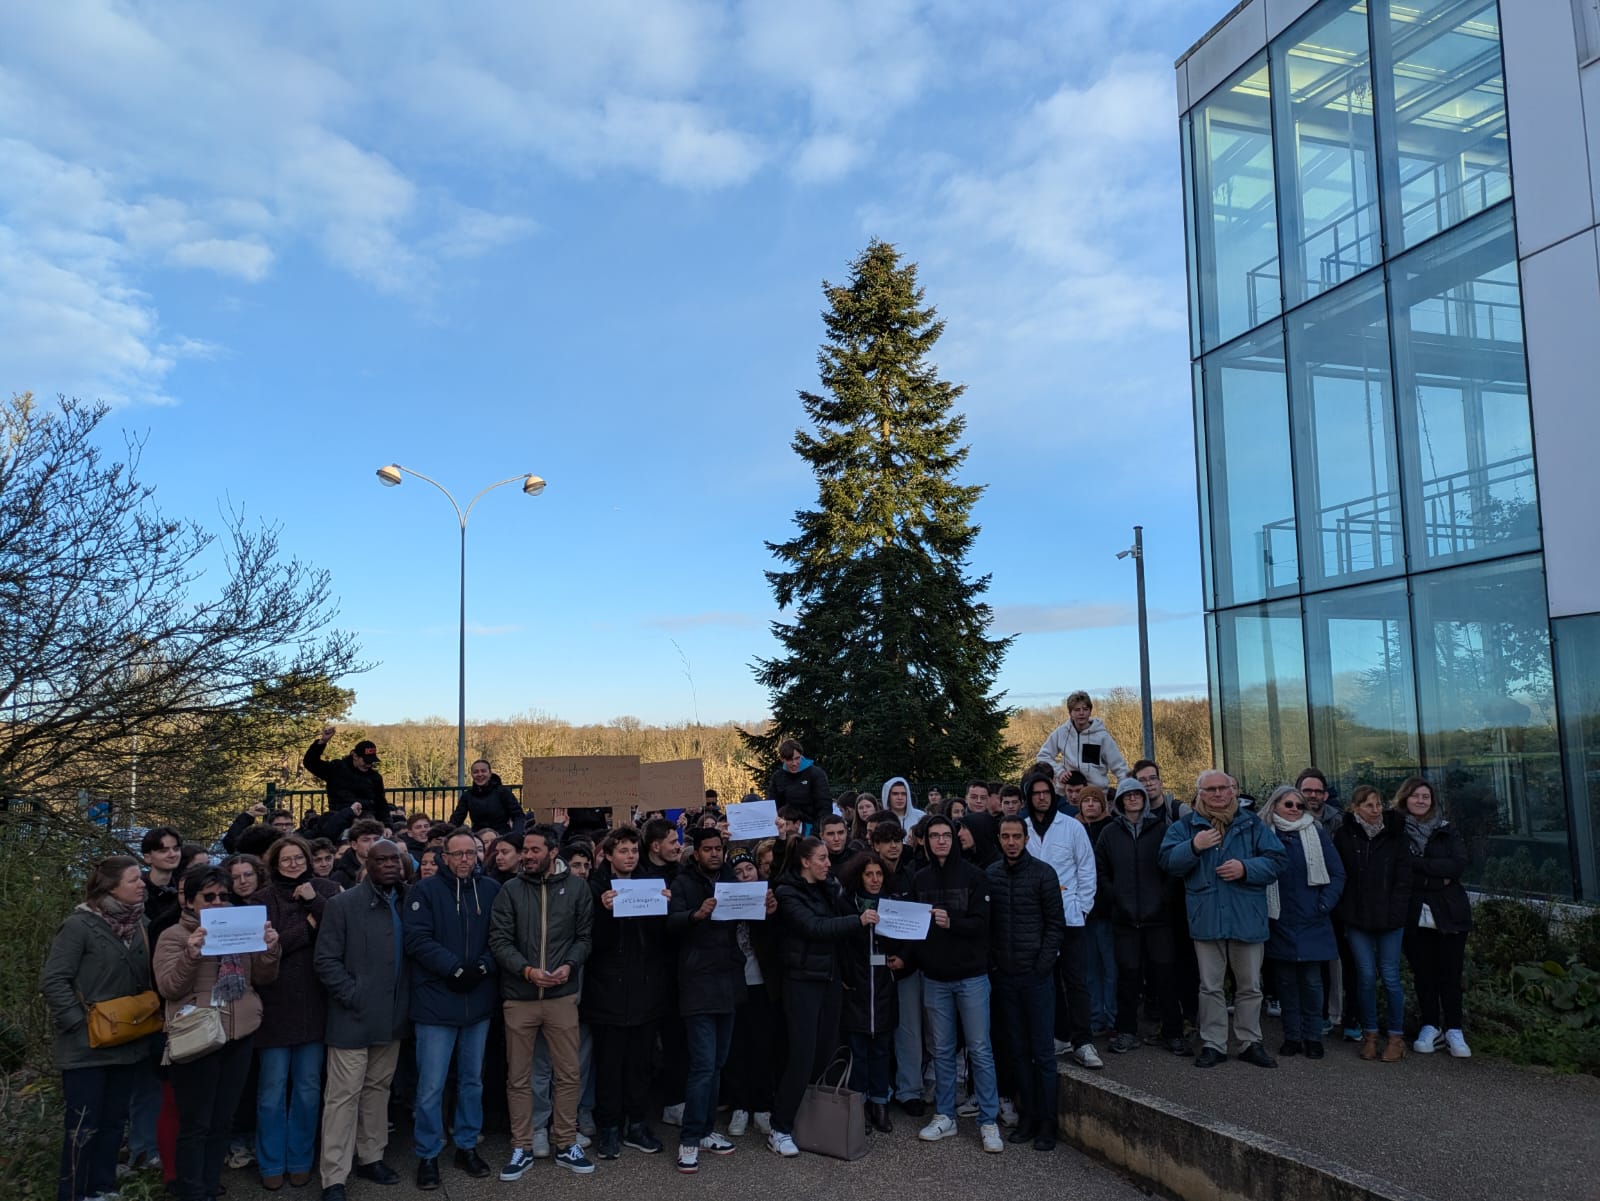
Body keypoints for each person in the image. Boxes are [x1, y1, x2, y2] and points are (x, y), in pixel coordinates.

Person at [40, 856, 166, 1201]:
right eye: (133, 880)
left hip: (128, 1042)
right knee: (82, 1126)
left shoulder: (141, 923)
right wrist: (79, 1024)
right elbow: (54, 980)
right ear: (111, 887)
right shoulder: (79, 925)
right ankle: (72, 1193)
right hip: (86, 1048)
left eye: (141, 879)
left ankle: (101, 1188)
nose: (142, 884)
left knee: (113, 1123)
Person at [154, 865, 282, 1201]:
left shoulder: (239, 930)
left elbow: (264, 977)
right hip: (198, 1036)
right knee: (196, 1123)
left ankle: (209, 1186)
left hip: (238, 1033)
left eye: (223, 896)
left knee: (221, 1120)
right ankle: (191, 1190)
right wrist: (191, 955)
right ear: (190, 901)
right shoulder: (174, 936)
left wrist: (269, 948)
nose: (217, 902)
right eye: (208, 897)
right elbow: (169, 987)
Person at [1159, 771, 1286, 1069]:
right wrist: (1194, 846)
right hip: (1207, 917)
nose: (1217, 794)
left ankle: (1250, 1042)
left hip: (1247, 917)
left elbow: (1278, 861)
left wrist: (1246, 868)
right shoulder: (1186, 826)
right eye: (1210, 789)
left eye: (1223, 788)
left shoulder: (1252, 823)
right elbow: (1166, 862)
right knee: (1210, 986)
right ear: (1200, 793)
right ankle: (1213, 1043)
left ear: (1233, 791)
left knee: (1250, 986)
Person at [490, 824, 595, 1179]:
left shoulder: (578, 889)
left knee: (568, 1073)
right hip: (520, 997)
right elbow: (500, 940)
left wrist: (569, 965)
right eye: (525, 850)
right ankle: (521, 1146)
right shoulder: (510, 890)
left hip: (562, 997)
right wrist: (527, 971)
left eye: (535, 850)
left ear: (553, 852)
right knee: (518, 1077)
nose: (527, 856)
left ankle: (565, 1143)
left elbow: (584, 937)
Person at [667, 827, 772, 1173]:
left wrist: (766, 905)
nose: (714, 854)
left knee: (717, 1064)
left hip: (730, 983)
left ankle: (708, 1128)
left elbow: (751, 917)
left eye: (718, 848)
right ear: (696, 852)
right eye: (707, 849)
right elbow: (668, 924)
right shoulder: (683, 882)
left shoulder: (731, 879)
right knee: (701, 1065)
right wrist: (695, 915)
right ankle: (690, 1138)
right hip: (698, 984)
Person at [314, 840, 411, 1201]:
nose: (389, 865)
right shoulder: (343, 905)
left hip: (393, 1017)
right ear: (366, 863)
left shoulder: (408, 901)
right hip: (352, 1017)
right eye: (381, 859)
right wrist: (353, 995)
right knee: (342, 1097)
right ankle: (334, 1176)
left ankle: (372, 1157)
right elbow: (326, 960)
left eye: (394, 860)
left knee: (377, 1091)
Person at [404, 829, 500, 1188]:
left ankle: (466, 1144)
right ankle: (427, 1153)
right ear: (444, 857)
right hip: (436, 1001)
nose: (464, 860)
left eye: (469, 854)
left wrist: (484, 966)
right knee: (431, 1086)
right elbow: (416, 939)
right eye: (456, 854)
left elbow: (502, 935)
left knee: (472, 1081)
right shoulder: (424, 892)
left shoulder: (490, 890)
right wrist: (452, 967)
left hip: (477, 1000)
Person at [771, 837, 875, 1158]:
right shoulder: (787, 892)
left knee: (825, 1050)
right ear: (805, 862)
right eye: (821, 858)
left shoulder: (828, 886)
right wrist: (856, 921)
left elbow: (840, 916)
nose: (828, 864)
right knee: (802, 1054)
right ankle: (780, 1127)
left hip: (829, 979)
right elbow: (813, 927)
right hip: (802, 980)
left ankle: (810, 1120)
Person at [911, 815, 1001, 1153]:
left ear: (954, 837)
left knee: (979, 1048)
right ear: (926, 841)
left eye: (945, 835)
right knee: (942, 1051)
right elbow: (913, 925)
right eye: (933, 836)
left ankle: (988, 1119)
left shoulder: (975, 876)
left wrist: (953, 922)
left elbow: (982, 923)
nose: (940, 841)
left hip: (972, 976)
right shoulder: (920, 878)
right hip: (935, 977)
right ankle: (945, 1114)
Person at [256, 835, 340, 1189]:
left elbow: (337, 931)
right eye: (285, 859)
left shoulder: (326, 889)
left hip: (314, 1002)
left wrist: (315, 902)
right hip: (275, 1004)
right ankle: (272, 1163)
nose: (293, 864)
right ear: (274, 863)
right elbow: (266, 948)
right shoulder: (262, 899)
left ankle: (301, 1158)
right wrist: (306, 928)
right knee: (271, 1091)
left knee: (308, 1090)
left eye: (298, 858)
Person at [584, 826, 671, 1159]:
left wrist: (663, 909)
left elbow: (661, 941)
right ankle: (608, 1127)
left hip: (646, 992)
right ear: (608, 855)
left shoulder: (652, 883)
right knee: (609, 1065)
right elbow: (593, 943)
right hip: (608, 992)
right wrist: (603, 913)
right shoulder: (595, 889)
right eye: (623, 851)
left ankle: (637, 1124)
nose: (630, 856)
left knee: (640, 1063)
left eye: (634, 850)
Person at [987, 814, 1065, 1152]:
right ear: (999, 839)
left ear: (1026, 837)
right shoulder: (990, 875)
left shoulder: (1044, 874)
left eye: (1016, 836)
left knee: (1043, 1054)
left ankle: (1049, 1121)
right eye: (1005, 836)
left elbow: (1055, 925)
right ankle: (1029, 1115)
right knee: (1017, 1052)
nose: (1011, 842)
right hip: (1004, 977)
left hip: (1036, 977)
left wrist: (1042, 966)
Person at [1095, 779, 1186, 1056]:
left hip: (1158, 918)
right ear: (1120, 800)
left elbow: (1173, 868)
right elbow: (1101, 871)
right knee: (1128, 979)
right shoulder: (1109, 833)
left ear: (1144, 799)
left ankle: (1173, 1032)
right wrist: (1116, 898)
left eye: (1137, 794)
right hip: (1124, 919)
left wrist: (1164, 898)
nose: (1133, 799)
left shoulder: (1162, 829)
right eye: (1127, 795)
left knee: (1165, 977)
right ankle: (1126, 1032)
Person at [1019, 769, 1101, 1069]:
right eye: (1036, 793)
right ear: (1028, 797)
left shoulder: (1072, 827)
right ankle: (1059, 1035)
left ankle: (1083, 1040)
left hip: (1070, 917)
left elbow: (1087, 869)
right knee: (1045, 980)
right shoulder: (1021, 828)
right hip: (1034, 920)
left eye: (1046, 793)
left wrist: (1082, 907)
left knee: (1075, 980)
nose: (1041, 797)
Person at [1262, 786, 1344, 1060]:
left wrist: (1324, 904)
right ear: (1275, 806)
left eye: (1299, 805)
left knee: (1312, 983)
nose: (1295, 809)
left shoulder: (1316, 832)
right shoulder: (1264, 834)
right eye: (1289, 804)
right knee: (1285, 984)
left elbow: (1337, 873)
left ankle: (1313, 1036)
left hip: (1313, 919)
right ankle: (1292, 1037)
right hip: (1280, 919)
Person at [1333, 785, 1411, 1063]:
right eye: (1369, 806)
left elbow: (1404, 880)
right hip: (1357, 918)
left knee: (1390, 977)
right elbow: (1338, 875)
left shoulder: (1396, 835)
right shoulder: (1343, 836)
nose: (1376, 811)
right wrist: (1345, 911)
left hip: (1390, 918)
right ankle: (1370, 1034)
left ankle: (1396, 1036)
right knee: (1365, 977)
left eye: (1378, 805)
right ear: (1356, 809)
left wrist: (1397, 913)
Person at [1398, 778, 1472, 1059]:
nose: (1420, 800)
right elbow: (1403, 869)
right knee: (1424, 974)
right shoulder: (1397, 832)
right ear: (1405, 799)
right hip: (1414, 911)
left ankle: (1454, 1028)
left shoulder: (1446, 829)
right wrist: (1436, 876)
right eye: (1415, 796)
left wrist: (1421, 868)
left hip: (1450, 912)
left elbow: (1458, 865)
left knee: (1450, 974)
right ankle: (1430, 1025)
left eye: (1426, 796)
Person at [837, 852, 899, 1135]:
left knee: (881, 1051)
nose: (875, 880)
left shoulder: (894, 903)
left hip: (884, 986)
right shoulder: (846, 904)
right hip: (856, 986)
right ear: (858, 877)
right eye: (869, 874)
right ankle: (858, 1104)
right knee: (858, 1052)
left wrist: (901, 959)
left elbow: (907, 938)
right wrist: (843, 976)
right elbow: (837, 942)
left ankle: (880, 1103)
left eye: (879, 874)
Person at [724, 849, 780, 1140]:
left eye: (749, 869)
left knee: (762, 1044)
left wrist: (769, 915)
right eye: (738, 872)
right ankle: (740, 1105)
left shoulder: (770, 898)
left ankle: (762, 1106)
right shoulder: (723, 899)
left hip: (761, 982)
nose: (745, 876)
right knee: (736, 1046)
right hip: (733, 982)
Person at [302, 726, 389, 834]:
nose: (368, 765)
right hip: (341, 820)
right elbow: (310, 763)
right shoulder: (337, 769)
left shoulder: (375, 777)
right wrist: (322, 742)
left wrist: (387, 826)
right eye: (366, 761)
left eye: (371, 762)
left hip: (368, 821)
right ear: (355, 756)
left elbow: (381, 803)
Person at [1035, 691, 1128, 791]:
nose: (1081, 713)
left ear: (1090, 711)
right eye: (1077, 710)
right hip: (1067, 794)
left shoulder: (1102, 736)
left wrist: (1125, 790)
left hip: (1095, 794)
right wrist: (1059, 772)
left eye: (1085, 709)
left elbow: (1120, 767)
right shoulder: (1061, 733)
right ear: (1070, 713)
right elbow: (1043, 756)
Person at [767, 739, 832, 832]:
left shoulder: (816, 774)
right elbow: (772, 806)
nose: (794, 763)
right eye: (789, 760)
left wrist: (816, 832)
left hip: (812, 828)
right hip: (787, 829)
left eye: (797, 758)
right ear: (782, 759)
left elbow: (825, 807)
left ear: (801, 755)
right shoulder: (778, 777)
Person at [449, 759, 526, 838]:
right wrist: (446, 834)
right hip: (478, 837)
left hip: (502, 836)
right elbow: (457, 818)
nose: (479, 774)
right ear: (472, 774)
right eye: (476, 772)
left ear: (490, 773)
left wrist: (516, 835)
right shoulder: (467, 796)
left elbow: (518, 815)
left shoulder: (503, 792)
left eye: (483, 771)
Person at [329, 819, 386, 891]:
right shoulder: (339, 877)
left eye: (376, 839)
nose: (372, 844)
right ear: (354, 845)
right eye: (366, 840)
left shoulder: (388, 868)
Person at [880, 776, 924, 841]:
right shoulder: (881, 819)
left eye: (903, 794)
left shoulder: (920, 817)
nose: (900, 797)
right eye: (895, 794)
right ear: (888, 796)